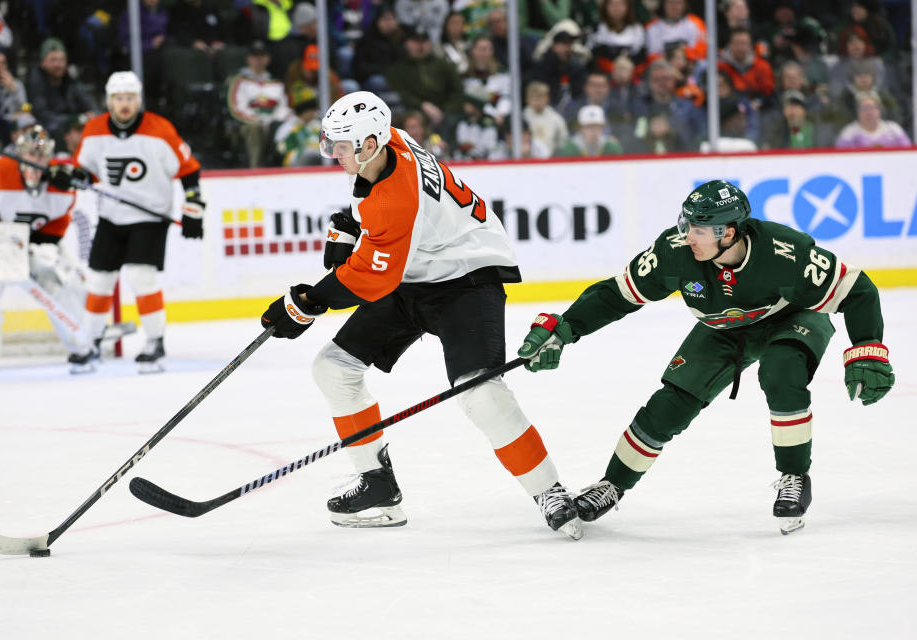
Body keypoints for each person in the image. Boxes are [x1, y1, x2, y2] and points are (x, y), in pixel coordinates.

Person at [259, 90, 582, 539]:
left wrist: (306, 304)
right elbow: (377, 211)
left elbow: (373, 278)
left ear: (369, 144)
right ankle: (377, 485)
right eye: (330, 141)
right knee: (333, 368)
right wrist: (351, 224)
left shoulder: (395, 195)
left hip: (466, 277)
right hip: (417, 270)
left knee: (480, 393)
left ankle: (551, 492)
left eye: (340, 145)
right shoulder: (388, 141)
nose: (331, 152)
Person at [517, 180, 895, 535]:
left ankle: (794, 477)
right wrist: (566, 329)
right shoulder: (675, 252)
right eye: (687, 225)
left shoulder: (785, 253)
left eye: (699, 229)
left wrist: (867, 349)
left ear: (729, 233)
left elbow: (856, 290)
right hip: (723, 328)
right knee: (668, 406)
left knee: (781, 373)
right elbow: (617, 295)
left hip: (793, 317)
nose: (688, 236)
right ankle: (612, 485)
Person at [60, 71, 204, 374]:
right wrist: (73, 176)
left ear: (138, 100)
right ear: (109, 101)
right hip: (112, 216)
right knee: (99, 280)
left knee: (141, 277)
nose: (124, 104)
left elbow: (188, 170)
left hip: (150, 217)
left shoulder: (160, 129)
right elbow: (86, 171)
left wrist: (194, 208)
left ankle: (154, 343)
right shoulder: (94, 129)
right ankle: (91, 343)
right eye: (118, 98)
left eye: (129, 98)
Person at [0, 127, 85, 368]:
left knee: (59, 276)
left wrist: (42, 246)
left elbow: (58, 223)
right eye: (30, 155)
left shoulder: (60, 181)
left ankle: (83, 340)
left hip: (36, 241)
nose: (36, 162)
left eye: (42, 156)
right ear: (19, 154)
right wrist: (2, 246)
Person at [226, 41, 291, 168]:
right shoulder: (239, 81)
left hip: (273, 123)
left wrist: (272, 122)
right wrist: (258, 121)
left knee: (288, 127)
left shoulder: (276, 82)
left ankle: (287, 166)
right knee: (255, 129)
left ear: (268, 59)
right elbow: (236, 108)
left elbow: (283, 108)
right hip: (248, 124)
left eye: (262, 56)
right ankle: (256, 168)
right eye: (255, 56)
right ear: (248, 59)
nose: (259, 60)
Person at [25, 38, 97, 142]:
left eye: (61, 60)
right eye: (53, 60)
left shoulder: (70, 79)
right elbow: (43, 115)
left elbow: (91, 106)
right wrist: (78, 118)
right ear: (42, 63)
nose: (58, 65)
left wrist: (91, 116)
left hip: (72, 129)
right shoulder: (35, 80)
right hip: (46, 133)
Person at [835, 94, 911, 149]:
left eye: (872, 108)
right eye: (864, 109)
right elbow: (840, 158)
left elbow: (908, 153)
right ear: (858, 112)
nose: (868, 112)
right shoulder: (849, 133)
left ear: (879, 111)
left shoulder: (893, 129)